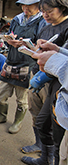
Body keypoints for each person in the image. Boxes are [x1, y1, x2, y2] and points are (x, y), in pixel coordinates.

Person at [0, 0, 47, 134]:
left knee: (22, 100)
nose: (25, 8)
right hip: (11, 61)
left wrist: (24, 45)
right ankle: (1, 116)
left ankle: (17, 122)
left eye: (29, 5)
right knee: (0, 95)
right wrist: (10, 40)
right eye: (23, 5)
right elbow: (11, 36)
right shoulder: (17, 19)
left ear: (38, 5)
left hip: (27, 64)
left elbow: (41, 46)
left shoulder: (41, 21)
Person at [21, 0, 68, 164]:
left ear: (62, 8)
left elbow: (62, 60)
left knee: (58, 130)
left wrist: (44, 71)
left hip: (60, 83)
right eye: (43, 11)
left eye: (49, 10)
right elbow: (43, 51)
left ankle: (54, 160)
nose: (45, 14)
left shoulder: (67, 26)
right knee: (41, 121)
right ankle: (45, 158)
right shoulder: (46, 26)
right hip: (47, 79)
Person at [30, 41, 68, 165]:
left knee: (61, 143)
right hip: (58, 87)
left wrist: (54, 63)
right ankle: (46, 159)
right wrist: (59, 51)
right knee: (43, 123)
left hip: (63, 87)